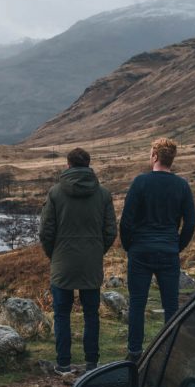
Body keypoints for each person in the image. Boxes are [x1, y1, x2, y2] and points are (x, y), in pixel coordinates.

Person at [39, 147, 117, 374]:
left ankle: (63, 364)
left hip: (62, 262)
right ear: (89, 165)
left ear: (68, 165)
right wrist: (97, 251)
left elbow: (45, 231)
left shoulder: (55, 193)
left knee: (62, 313)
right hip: (91, 262)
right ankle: (92, 364)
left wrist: (53, 255)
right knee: (91, 314)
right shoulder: (103, 194)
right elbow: (111, 230)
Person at [119, 138, 195, 362]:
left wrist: (129, 246)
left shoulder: (140, 183)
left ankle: (134, 353)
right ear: (171, 159)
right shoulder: (181, 186)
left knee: (137, 303)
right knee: (171, 304)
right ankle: (168, 352)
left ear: (154, 156)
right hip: (168, 251)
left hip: (140, 251)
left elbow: (126, 222)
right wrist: (176, 246)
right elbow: (190, 224)